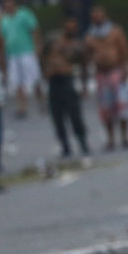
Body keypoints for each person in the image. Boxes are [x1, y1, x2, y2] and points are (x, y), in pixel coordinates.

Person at [41, 16, 91, 160]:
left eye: (73, 28)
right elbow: (42, 56)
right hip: (53, 81)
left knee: (75, 114)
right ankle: (65, 145)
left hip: (67, 80)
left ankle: (82, 142)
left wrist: (84, 86)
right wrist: (45, 71)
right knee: (57, 116)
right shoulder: (53, 40)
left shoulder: (77, 45)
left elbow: (84, 66)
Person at [85, 5, 128, 150]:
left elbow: (124, 50)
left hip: (115, 72)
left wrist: (125, 69)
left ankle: (125, 137)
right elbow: (86, 56)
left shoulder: (115, 31)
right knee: (106, 109)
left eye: (99, 14)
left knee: (122, 107)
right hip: (101, 74)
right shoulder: (89, 35)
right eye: (94, 16)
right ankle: (111, 138)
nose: (97, 18)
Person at [0, 0, 43, 118]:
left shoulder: (24, 14)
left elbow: (34, 30)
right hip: (12, 54)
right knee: (17, 81)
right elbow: (2, 38)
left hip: (27, 51)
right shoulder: (4, 20)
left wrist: (37, 47)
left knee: (35, 78)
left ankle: (41, 103)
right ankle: (22, 106)